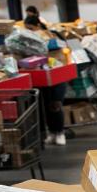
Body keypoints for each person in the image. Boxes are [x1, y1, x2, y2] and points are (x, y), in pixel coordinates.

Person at [25, 15, 68, 146]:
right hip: (42, 76)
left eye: (31, 28)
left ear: (38, 25)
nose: (30, 31)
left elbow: (62, 46)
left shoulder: (52, 35)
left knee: (56, 104)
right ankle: (52, 133)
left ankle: (60, 132)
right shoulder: (28, 40)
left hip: (56, 73)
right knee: (46, 105)